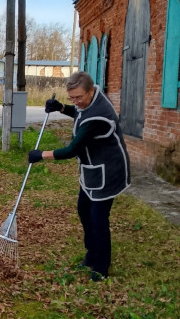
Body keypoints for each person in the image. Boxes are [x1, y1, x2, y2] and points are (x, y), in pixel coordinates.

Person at [28, 71, 130, 281]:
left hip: (108, 171)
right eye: (71, 98)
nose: (76, 102)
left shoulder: (99, 116)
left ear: (90, 91)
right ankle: (92, 253)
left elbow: (72, 149)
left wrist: (41, 155)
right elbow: (80, 112)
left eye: (79, 98)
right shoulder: (90, 101)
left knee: (98, 219)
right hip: (92, 170)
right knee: (84, 210)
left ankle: (101, 267)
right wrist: (62, 108)